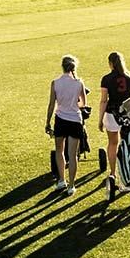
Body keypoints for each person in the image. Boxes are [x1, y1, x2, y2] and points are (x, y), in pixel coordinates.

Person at [98, 51, 130, 191]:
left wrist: (100, 120)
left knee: (113, 144)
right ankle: (126, 176)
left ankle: (113, 173)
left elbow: (103, 101)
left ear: (111, 64)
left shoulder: (106, 79)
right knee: (127, 143)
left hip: (112, 114)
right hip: (128, 115)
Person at [45, 55, 87, 196]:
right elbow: (83, 104)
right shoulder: (79, 82)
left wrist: (47, 122)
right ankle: (71, 185)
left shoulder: (55, 83)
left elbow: (52, 104)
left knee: (59, 151)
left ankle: (61, 180)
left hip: (60, 119)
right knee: (72, 154)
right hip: (75, 120)